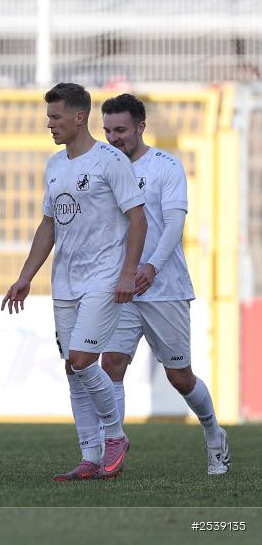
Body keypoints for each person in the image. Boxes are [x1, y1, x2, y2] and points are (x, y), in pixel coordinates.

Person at [1, 82, 147, 481]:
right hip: (64, 280)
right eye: (48, 117)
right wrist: (25, 276)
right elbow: (49, 223)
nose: (49, 124)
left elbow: (138, 218)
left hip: (103, 278)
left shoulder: (110, 160)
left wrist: (127, 273)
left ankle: (114, 436)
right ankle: (89, 455)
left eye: (55, 116)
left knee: (84, 360)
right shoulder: (55, 165)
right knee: (72, 367)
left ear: (79, 117)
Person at [100, 93, 230, 475]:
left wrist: (152, 266)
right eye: (107, 130)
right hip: (122, 287)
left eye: (120, 129)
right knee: (111, 365)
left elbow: (174, 223)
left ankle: (213, 433)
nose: (113, 137)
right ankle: (114, 450)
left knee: (179, 376)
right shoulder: (104, 168)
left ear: (140, 127)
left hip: (163, 287)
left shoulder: (165, 167)